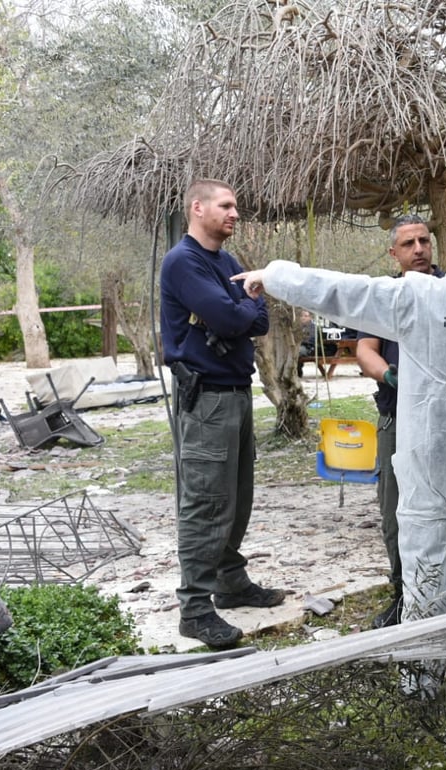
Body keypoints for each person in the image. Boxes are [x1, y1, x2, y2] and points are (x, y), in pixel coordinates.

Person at [233, 213, 446, 704]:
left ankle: (421, 687)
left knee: (426, 580)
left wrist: (274, 276)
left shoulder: (423, 296)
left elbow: (344, 292)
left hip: (431, 466)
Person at [160, 178, 289, 649]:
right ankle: (194, 609)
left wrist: (246, 306)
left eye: (236, 206)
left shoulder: (226, 261)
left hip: (235, 392)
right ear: (197, 208)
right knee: (205, 504)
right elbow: (238, 319)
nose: (235, 213)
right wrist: (247, 304)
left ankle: (230, 582)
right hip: (206, 398)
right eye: (226, 205)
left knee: (236, 497)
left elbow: (257, 320)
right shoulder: (183, 262)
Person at [356, 214, 446, 628]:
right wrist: (387, 372)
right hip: (395, 419)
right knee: (394, 514)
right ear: (394, 253)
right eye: (408, 244)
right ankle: (403, 596)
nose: (419, 249)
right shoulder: (387, 294)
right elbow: (365, 350)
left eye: (424, 240)